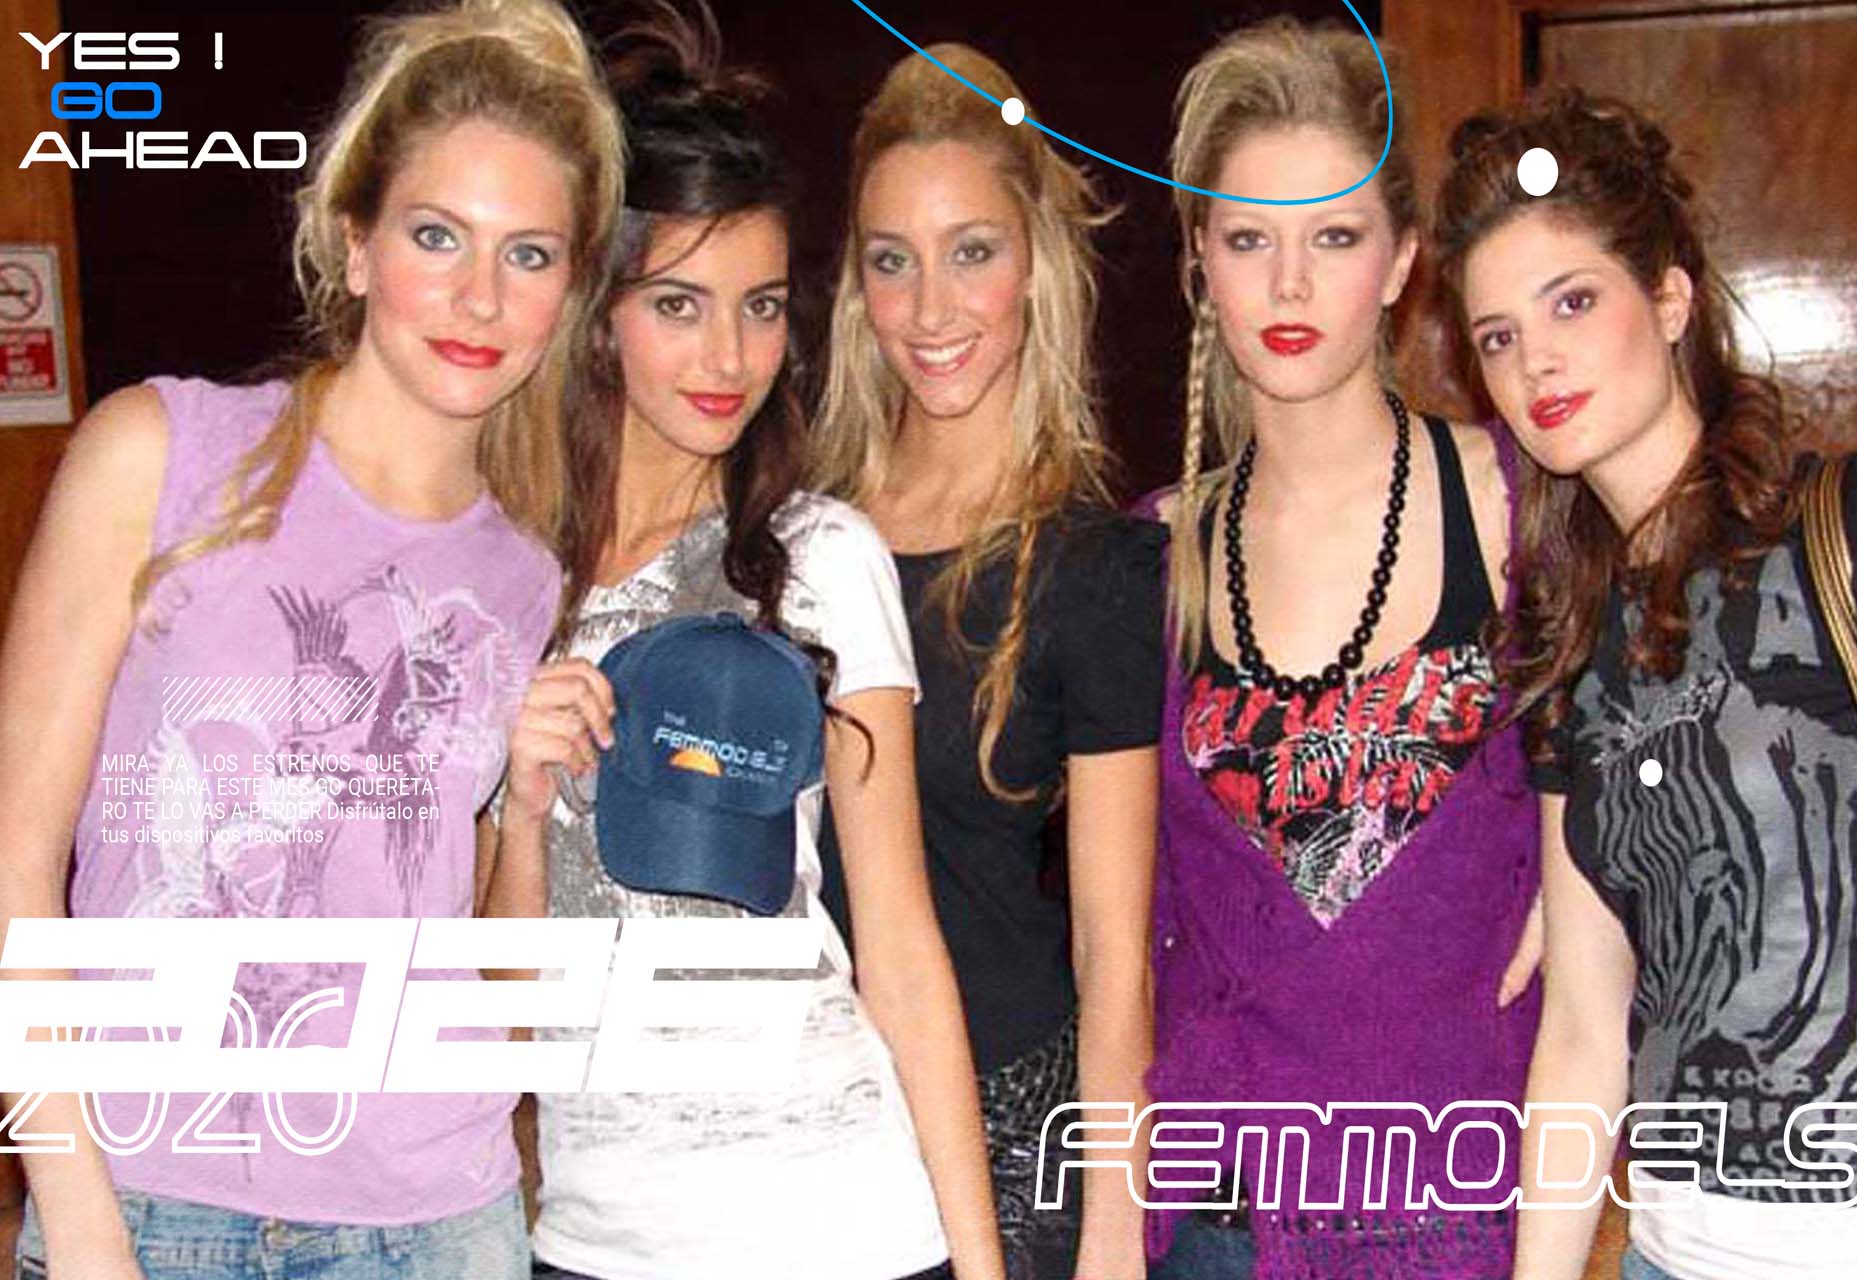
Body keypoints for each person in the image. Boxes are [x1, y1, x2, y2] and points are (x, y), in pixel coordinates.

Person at [0, 1, 625, 1276]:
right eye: (436, 234)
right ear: (353, 244)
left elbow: (484, 976)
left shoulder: (520, 575)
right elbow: (12, 867)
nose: (479, 296)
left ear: (568, 292)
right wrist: (83, 1219)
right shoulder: (160, 454)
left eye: (529, 254)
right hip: (147, 1203)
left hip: (435, 1221)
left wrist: (525, 806)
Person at [482, 11, 1003, 1279]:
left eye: (761, 307)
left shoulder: (821, 556)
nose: (730, 356)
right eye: (680, 303)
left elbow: (901, 946)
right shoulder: (497, 578)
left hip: (847, 1226)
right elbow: (502, 1022)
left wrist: (983, 1263)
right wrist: (522, 807)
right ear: (598, 312)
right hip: (595, 1242)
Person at [1437, 87, 1857, 1280]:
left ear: (1668, 299)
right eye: (1497, 335)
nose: (1536, 358)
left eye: (1572, 301)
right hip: (1665, 1246)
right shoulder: (1565, 648)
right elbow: (1584, 1026)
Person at [1140, 16, 1544, 1278]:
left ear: (1403, 259)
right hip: (1216, 1219)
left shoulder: (1523, 505)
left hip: (1461, 1212)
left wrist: (1596, 892)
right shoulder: (1150, 556)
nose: (1290, 286)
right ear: (1200, 264)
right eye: (1248, 239)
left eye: (1334, 237)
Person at [811, 42, 1163, 1280]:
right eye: (891, 261)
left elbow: (1114, 954)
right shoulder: (795, 533)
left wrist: (1113, 1232)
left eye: (972, 252)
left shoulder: (1098, 568)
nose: (931, 309)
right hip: (802, 1138)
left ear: (1037, 264)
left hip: (1013, 1137)